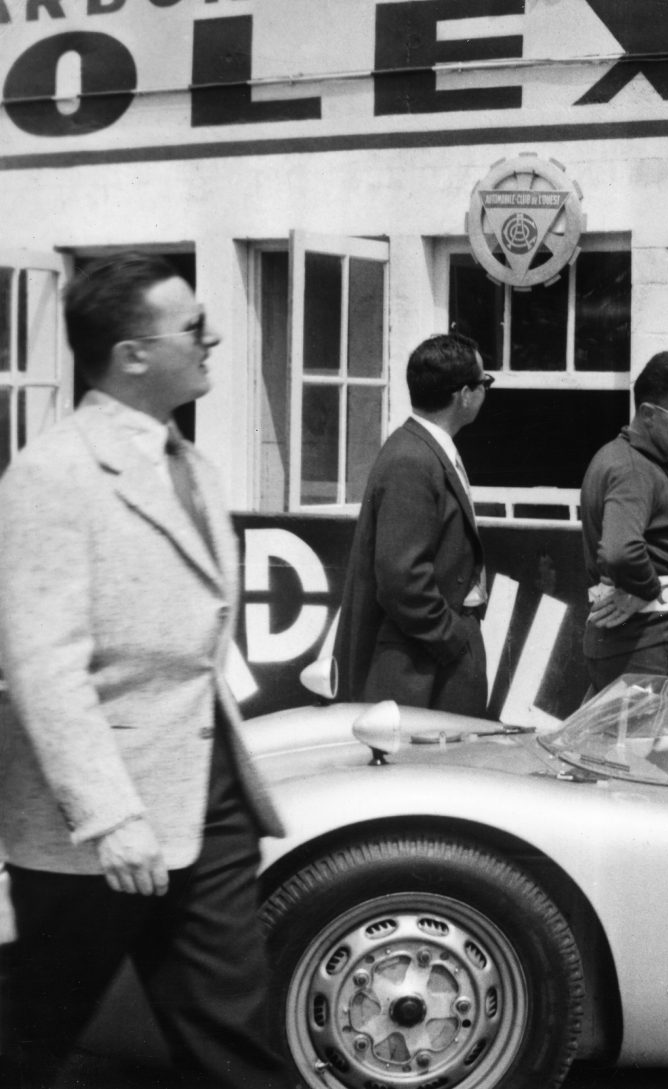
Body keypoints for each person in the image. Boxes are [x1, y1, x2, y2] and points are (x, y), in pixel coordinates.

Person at [0, 253, 290, 1088]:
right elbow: (43, 664)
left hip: (209, 799)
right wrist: (110, 815)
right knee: (29, 1037)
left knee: (234, 1044)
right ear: (132, 354)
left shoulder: (192, 464)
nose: (214, 336)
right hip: (93, 827)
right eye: (193, 326)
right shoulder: (52, 473)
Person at [334, 332, 493, 717]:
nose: (485, 392)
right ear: (464, 395)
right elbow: (401, 578)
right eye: (484, 383)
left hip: (430, 660)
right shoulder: (413, 459)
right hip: (421, 671)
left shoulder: (423, 449)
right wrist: (453, 639)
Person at [580, 351, 668, 693]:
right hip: (651, 641)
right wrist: (648, 590)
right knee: (655, 730)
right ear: (648, 414)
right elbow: (621, 551)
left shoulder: (628, 459)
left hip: (638, 642)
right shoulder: (634, 469)